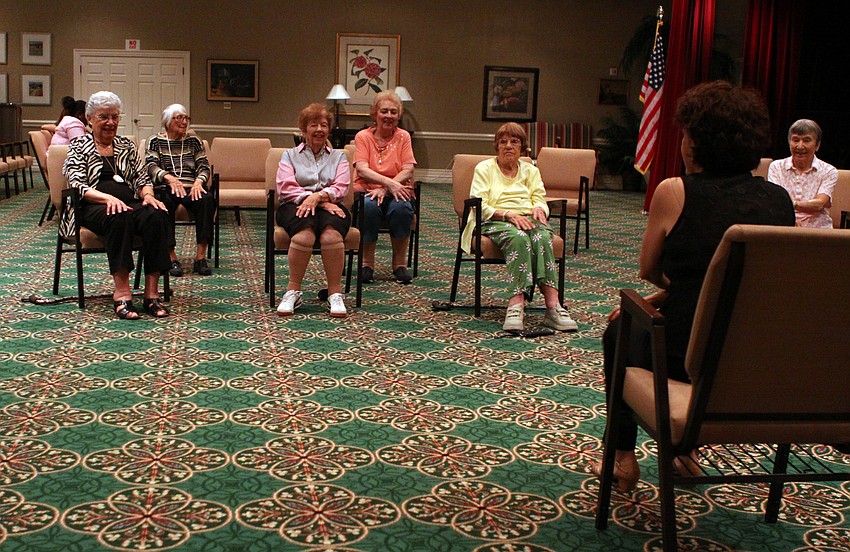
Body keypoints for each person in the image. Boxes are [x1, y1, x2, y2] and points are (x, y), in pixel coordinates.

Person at [594, 81, 796, 491]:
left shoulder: (675, 191)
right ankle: (688, 451)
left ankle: (623, 456)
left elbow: (649, 268)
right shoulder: (779, 200)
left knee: (621, 327)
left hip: (686, 350)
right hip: (758, 359)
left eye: (686, 135)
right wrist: (674, 291)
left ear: (696, 143)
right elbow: (743, 279)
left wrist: (662, 291)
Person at [61, 91, 172, 319]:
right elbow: (76, 183)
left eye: (114, 117)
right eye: (104, 117)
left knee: (157, 214)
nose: (110, 122)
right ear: (90, 119)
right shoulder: (79, 146)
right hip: (91, 206)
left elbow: (142, 178)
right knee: (118, 215)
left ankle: (151, 294)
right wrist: (107, 198)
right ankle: (122, 293)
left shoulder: (126, 146)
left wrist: (149, 195)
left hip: (129, 202)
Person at [463, 122, 578, 332]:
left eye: (514, 142)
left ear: (522, 147)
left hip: (528, 220)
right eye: (503, 142)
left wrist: (540, 209)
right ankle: (516, 304)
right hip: (493, 220)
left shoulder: (531, 171)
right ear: (496, 146)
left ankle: (553, 307)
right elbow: (479, 203)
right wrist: (508, 214)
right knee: (519, 238)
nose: (508, 146)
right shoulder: (484, 168)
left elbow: (540, 198)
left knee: (542, 237)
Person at [275, 103, 352, 318]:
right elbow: (285, 186)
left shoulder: (339, 157)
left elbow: (342, 186)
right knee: (305, 235)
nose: (319, 129)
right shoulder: (289, 156)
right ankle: (293, 291)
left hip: (331, 204)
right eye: (313, 125)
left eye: (324, 125)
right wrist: (309, 198)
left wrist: (318, 198)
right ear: (303, 129)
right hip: (294, 204)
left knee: (331, 235)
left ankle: (335, 294)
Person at [353, 90, 416, 285]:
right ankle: (366, 264)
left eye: (393, 112)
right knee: (369, 208)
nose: (388, 116)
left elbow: (408, 169)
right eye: (384, 111)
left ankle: (399, 265)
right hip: (368, 190)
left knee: (402, 209)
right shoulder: (363, 136)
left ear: (398, 115)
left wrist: (386, 188)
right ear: (375, 113)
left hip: (398, 190)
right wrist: (387, 183)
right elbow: (362, 169)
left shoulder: (403, 136)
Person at [144, 104, 214, 276]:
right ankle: (171, 257)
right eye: (179, 118)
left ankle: (200, 258)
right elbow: (151, 166)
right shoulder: (155, 141)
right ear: (168, 122)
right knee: (163, 204)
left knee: (207, 200)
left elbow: (204, 167)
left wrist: (199, 182)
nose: (184, 122)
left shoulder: (194, 141)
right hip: (167, 187)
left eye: (186, 118)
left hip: (192, 187)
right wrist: (169, 178)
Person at [768, 119, 838, 228]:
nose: (800, 146)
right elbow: (776, 202)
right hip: (785, 226)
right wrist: (791, 221)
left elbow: (820, 204)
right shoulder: (776, 167)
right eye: (795, 140)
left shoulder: (829, 171)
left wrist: (792, 204)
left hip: (818, 230)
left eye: (806, 140)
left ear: (817, 145)